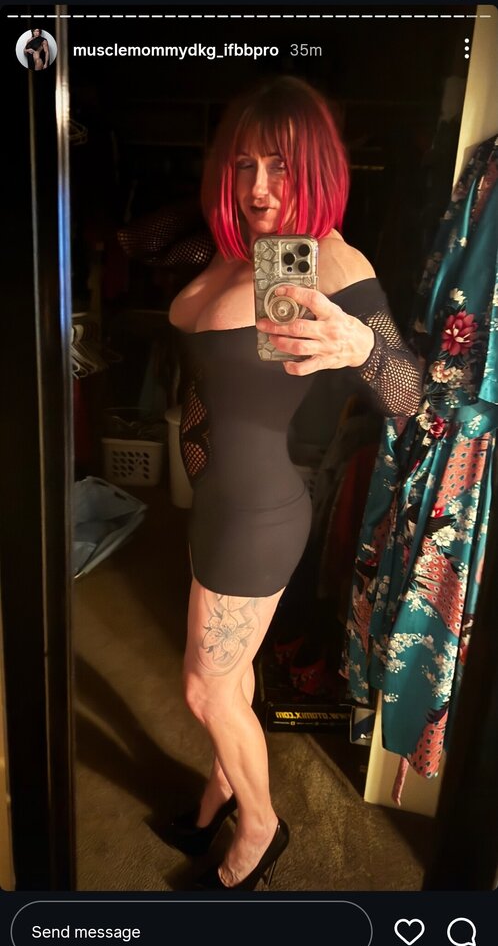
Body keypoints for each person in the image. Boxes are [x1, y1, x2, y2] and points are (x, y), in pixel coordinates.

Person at [166, 75, 422, 890]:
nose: (259, 187)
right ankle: (218, 794)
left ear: (316, 167)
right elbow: (142, 244)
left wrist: (363, 350)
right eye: (243, 165)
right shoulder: (232, 248)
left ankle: (260, 828)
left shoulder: (331, 259)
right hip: (216, 508)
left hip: (256, 514)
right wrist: (203, 212)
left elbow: (408, 393)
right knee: (231, 674)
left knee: (205, 690)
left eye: (279, 165)